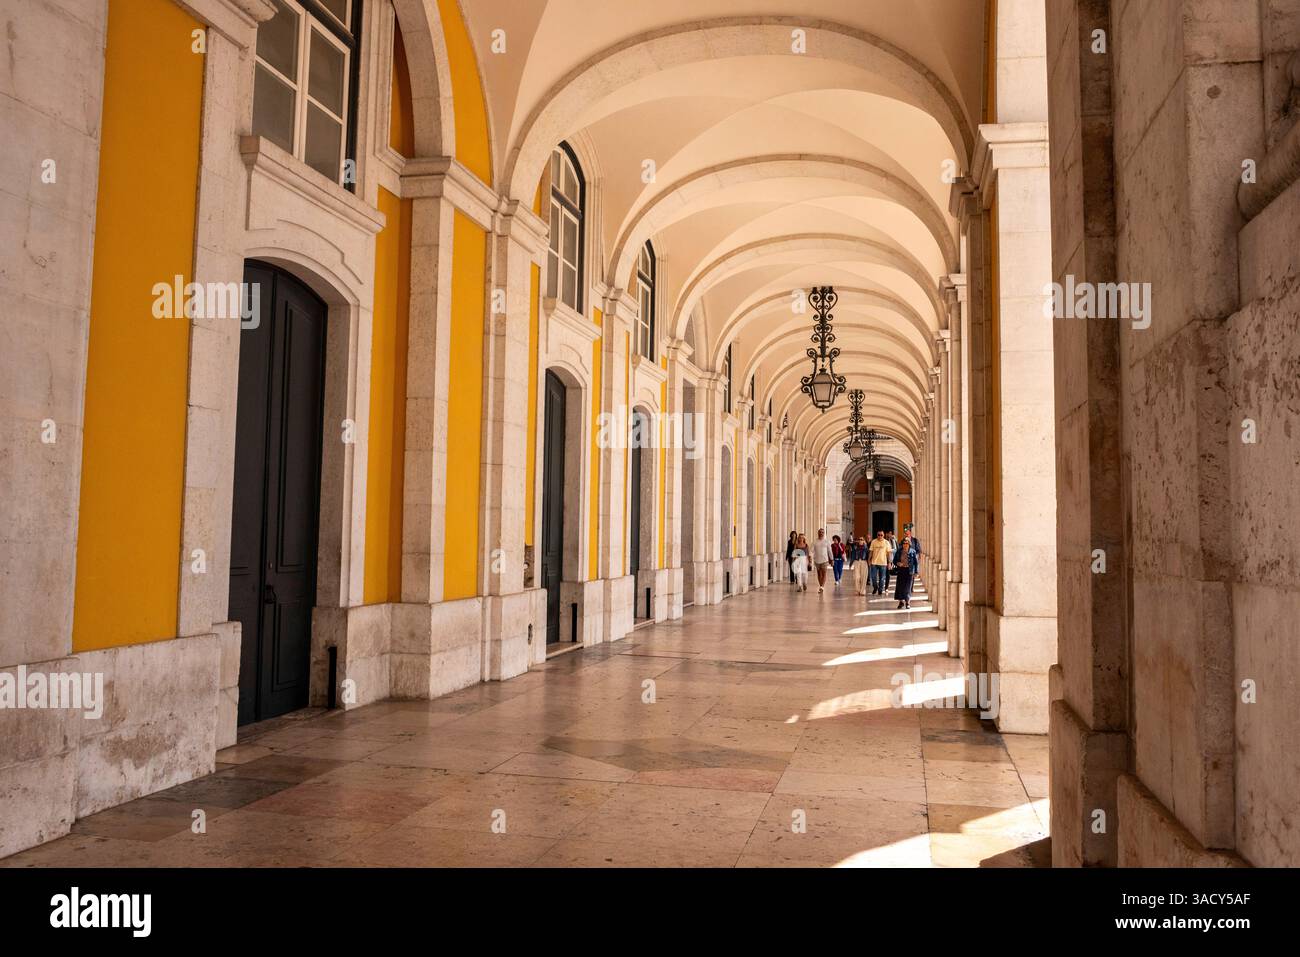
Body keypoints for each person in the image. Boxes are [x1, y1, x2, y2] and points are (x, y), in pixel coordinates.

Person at [892, 535, 919, 609]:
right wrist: (898, 563)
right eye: (904, 543)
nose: (905, 544)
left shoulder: (913, 551)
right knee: (900, 587)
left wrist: (916, 572)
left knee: (908, 587)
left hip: (909, 571)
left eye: (907, 543)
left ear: (909, 543)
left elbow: (916, 563)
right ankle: (901, 602)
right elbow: (894, 561)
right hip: (901, 570)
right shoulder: (899, 551)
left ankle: (907, 602)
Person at [869, 530, 892, 595]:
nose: (880, 536)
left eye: (881, 535)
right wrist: (869, 559)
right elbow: (871, 551)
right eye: (878, 535)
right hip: (874, 563)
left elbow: (889, 553)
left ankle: (880, 590)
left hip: (883, 563)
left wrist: (889, 562)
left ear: (883, 535)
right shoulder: (873, 541)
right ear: (877, 535)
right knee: (873, 577)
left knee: (882, 578)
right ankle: (875, 587)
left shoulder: (886, 542)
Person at [811, 528, 833, 594]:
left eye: (822, 532)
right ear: (818, 533)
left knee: (824, 573)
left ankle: (822, 587)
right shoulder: (815, 541)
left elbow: (830, 551)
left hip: (825, 560)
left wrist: (832, 559)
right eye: (820, 532)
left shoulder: (827, 541)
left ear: (824, 533)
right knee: (819, 574)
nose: (821, 533)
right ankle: (821, 586)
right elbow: (811, 550)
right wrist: (810, 556)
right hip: (817, 560)